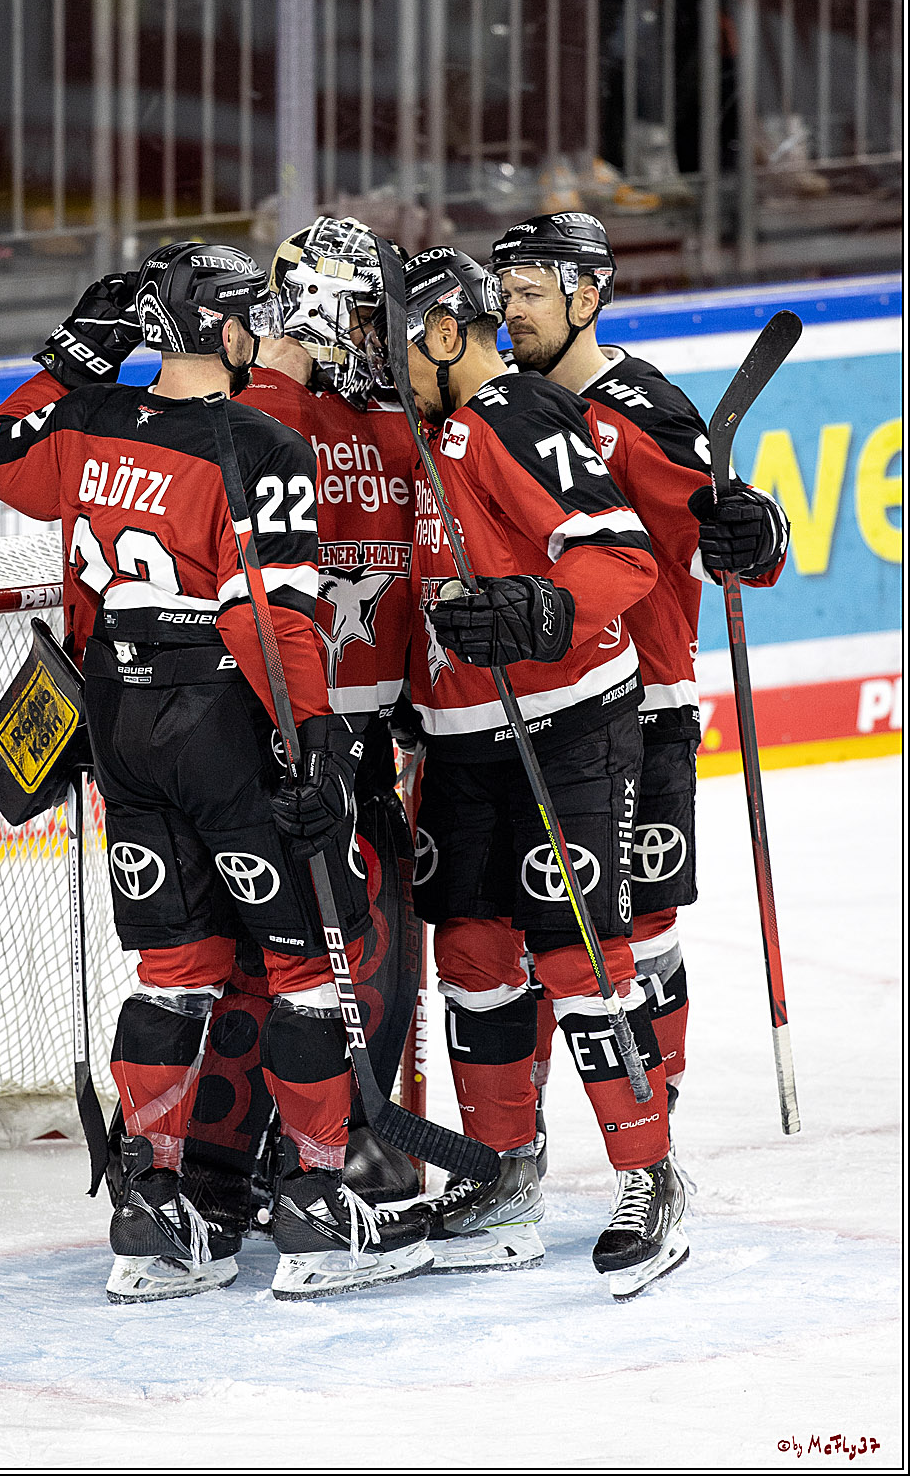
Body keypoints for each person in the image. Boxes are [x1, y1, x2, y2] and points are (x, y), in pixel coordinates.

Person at [0, 244, 430, 1304]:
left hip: (113, 720)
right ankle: (315, 1205)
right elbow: (261, 610)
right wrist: (309, 740)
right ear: (225, 329)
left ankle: (154, 1212)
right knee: (310, 958)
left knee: (175, 971)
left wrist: (70, 358)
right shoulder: (257, 441)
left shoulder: (87, 423)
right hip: (218, 716)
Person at [374, 245, 688, 1298]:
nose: (386, 366)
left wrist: (542, 609)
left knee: (578, 960)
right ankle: (506, 1173)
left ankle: (652, 1175)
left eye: (396, 343)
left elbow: (624, 556)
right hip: (463, 742)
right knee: (469, 956)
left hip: (563, 728)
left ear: (448, 333)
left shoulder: (513, 413)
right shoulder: (426, 432)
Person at [492, 210, 789, 1165]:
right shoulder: (495, 406)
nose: (511, 312)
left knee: (642, 926)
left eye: (530, 293)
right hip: (520, 712)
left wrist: (756, 530)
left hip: (644, 703)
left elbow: (726, 532)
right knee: (514, 930)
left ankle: (650, 1133)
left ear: (587, 296)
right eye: (504, 293)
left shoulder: (641, 409)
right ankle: (513, 1141)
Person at [178, 215, 424, 1226]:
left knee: (296, 960)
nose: (382, 338)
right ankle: (301, 1162)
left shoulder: (385, 422)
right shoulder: (249, 419)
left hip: (360, 741)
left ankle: (233, 1169)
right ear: (321, 309)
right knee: (314, 962)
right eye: (366, 315)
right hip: (288, 743)